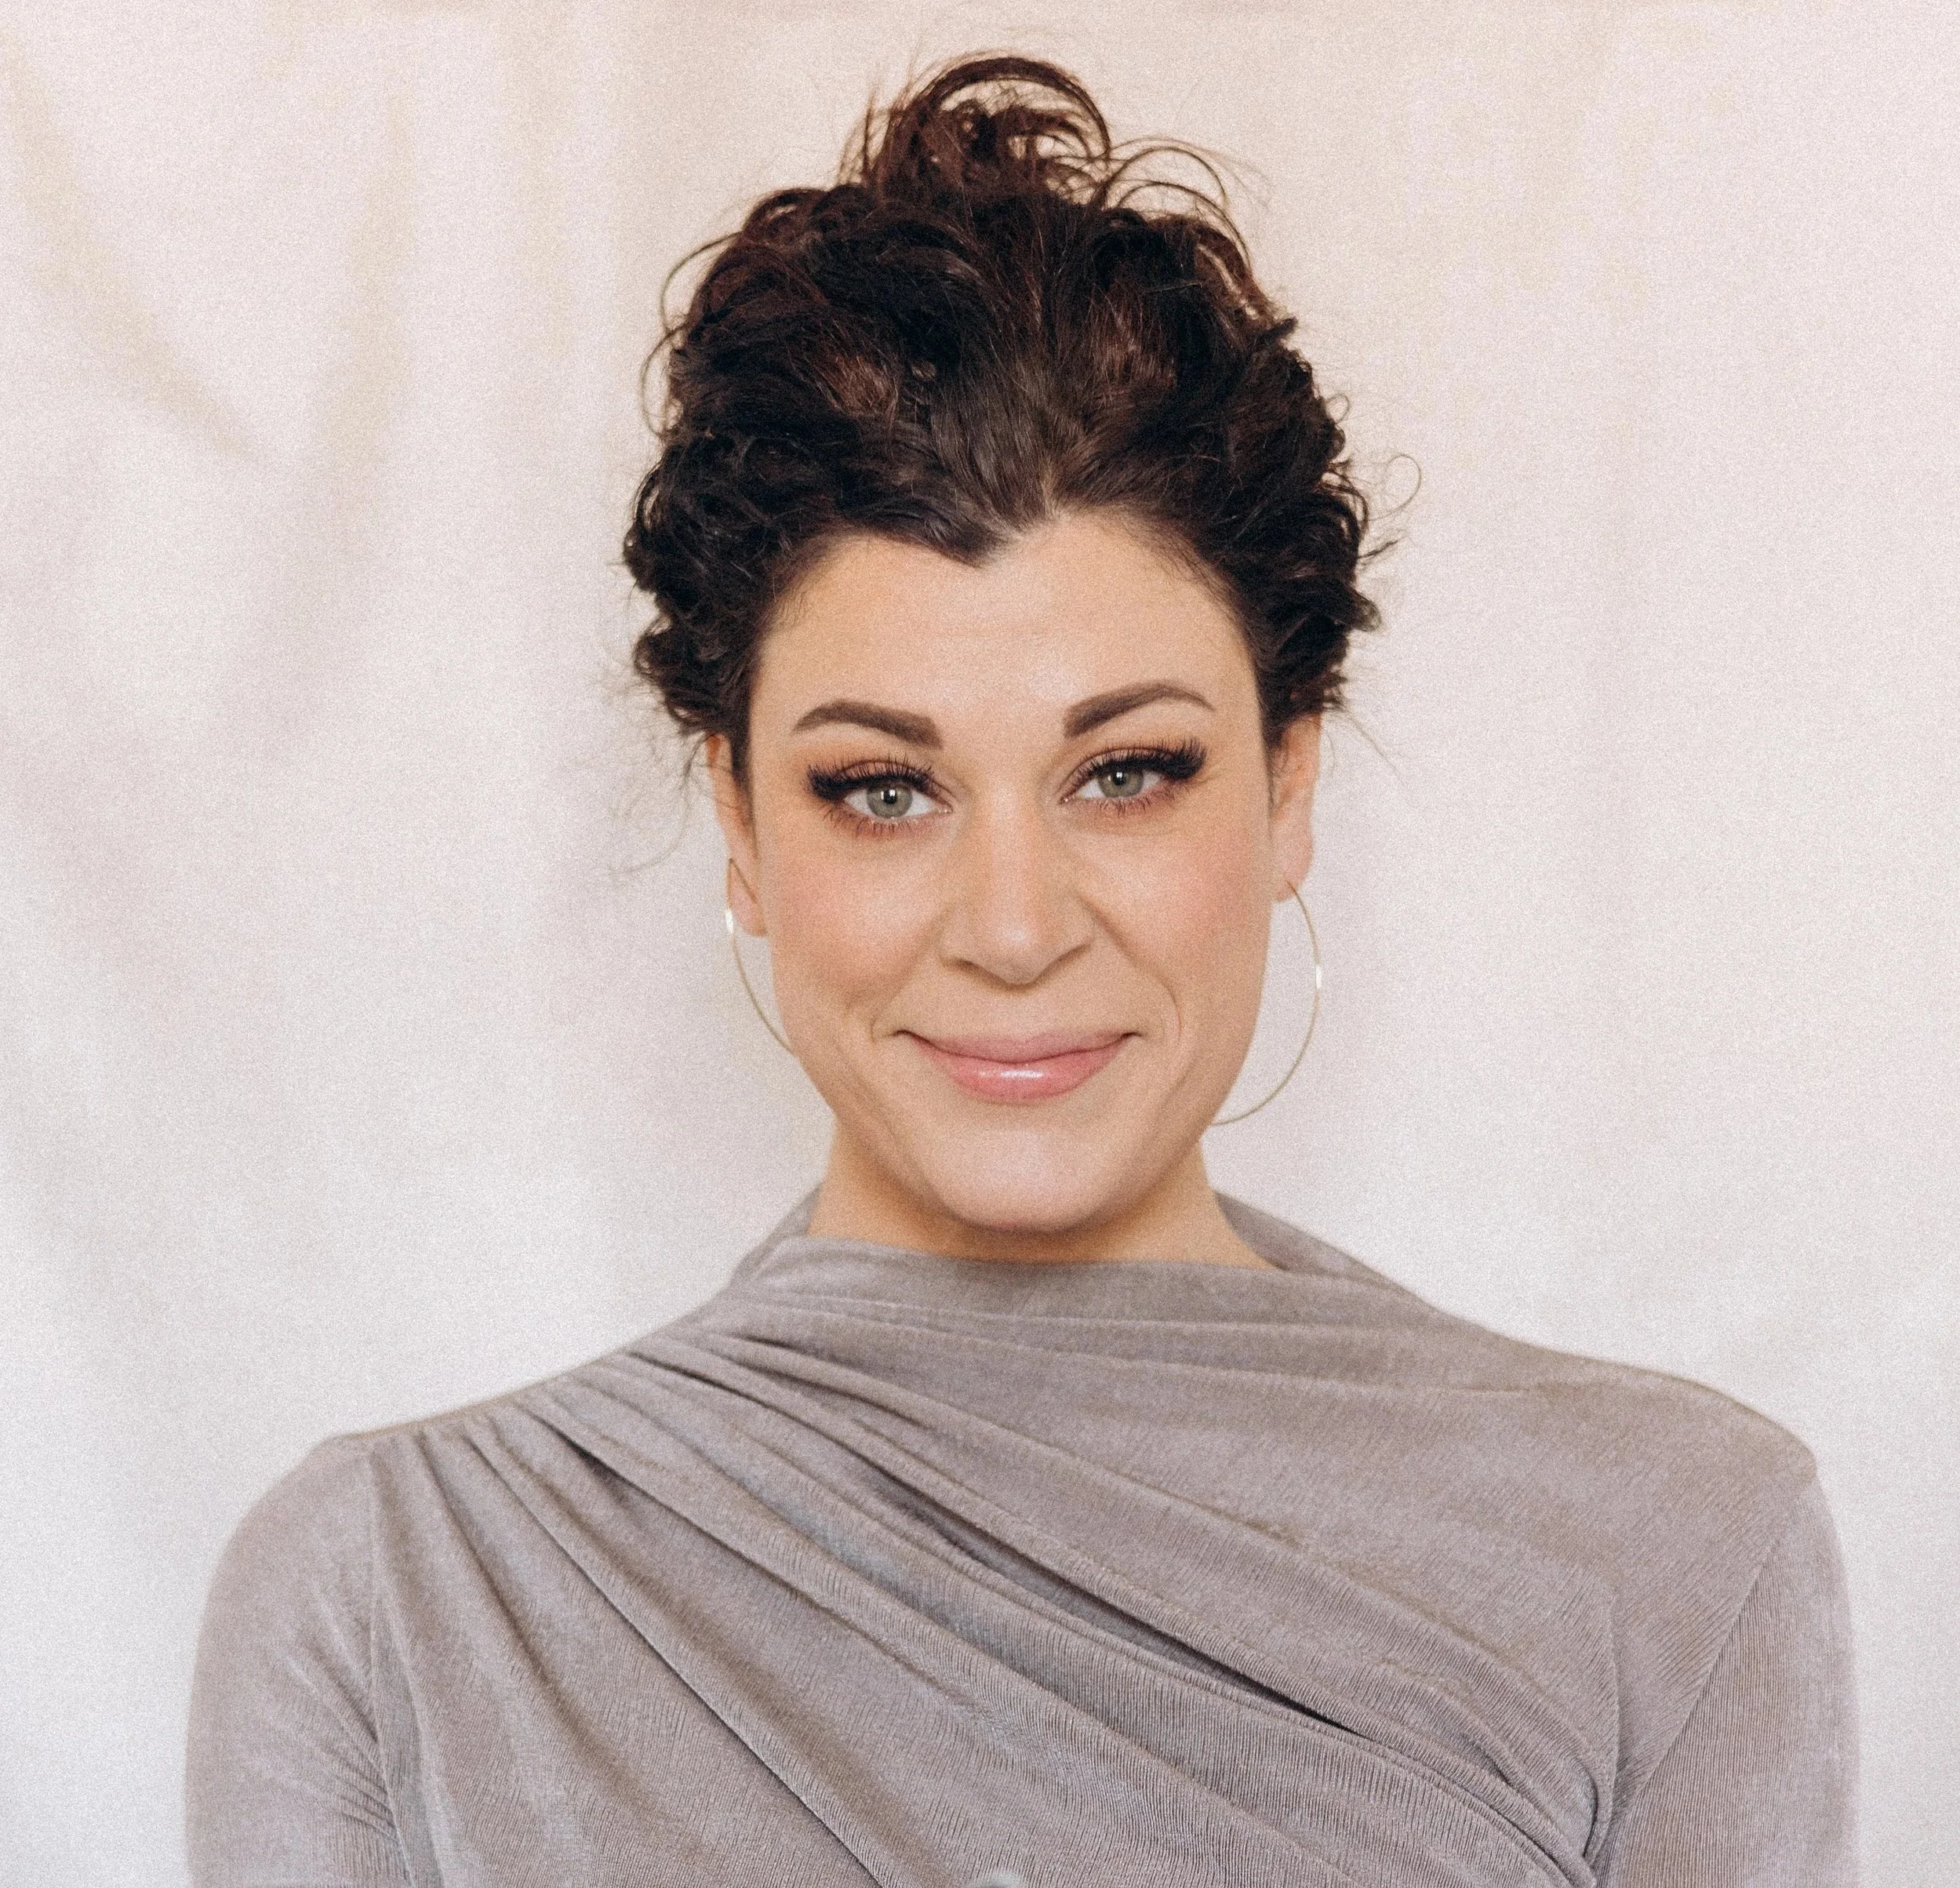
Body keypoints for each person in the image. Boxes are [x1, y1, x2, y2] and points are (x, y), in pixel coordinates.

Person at [187, 56, 1856, 1887]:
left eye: (1126, 773)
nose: (1011, 923)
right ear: (738, 823)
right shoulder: (396, 1598)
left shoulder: (1671, 1553)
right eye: (881, 789)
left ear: (1287, 787)